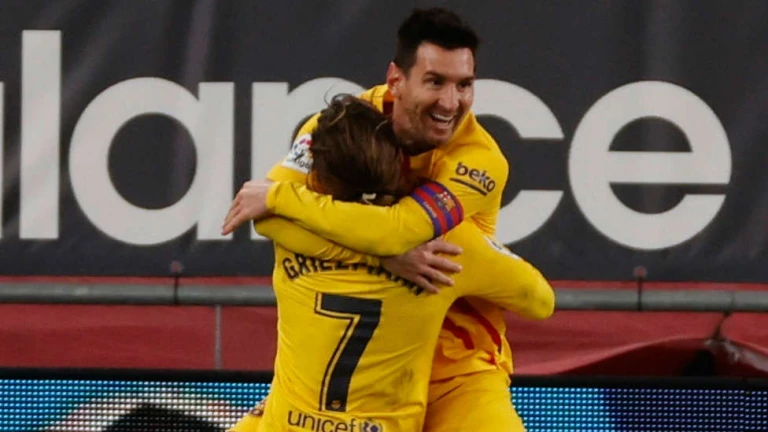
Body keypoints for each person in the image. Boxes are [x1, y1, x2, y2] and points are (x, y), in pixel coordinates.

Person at [225, 8, 533, 431]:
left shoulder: (479, 161)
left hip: (455, 369)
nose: (451, 102)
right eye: (435, 82)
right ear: (395, 80)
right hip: (363, 377)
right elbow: (266, 219)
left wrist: (280, 196)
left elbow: (396, 232)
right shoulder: (340, 127)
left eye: (464, 85)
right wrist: (380, 257)